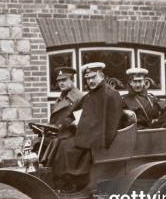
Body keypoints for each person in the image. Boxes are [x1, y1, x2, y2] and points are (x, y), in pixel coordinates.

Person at [52, 62, 123, 191]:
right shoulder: (90, 95)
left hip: (98, 140)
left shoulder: (111, 94)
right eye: (88, 78)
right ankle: (65, 183)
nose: (90, 81)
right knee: (61, 142)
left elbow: (111, 124)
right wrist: (72, 123)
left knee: (68, 148)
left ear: (101, 76)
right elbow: (74, 114)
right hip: (85, 135)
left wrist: (90, 135)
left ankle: (75, 184)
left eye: (93, 77)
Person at [50, 67, 83, 132]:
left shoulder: (79, 98)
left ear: (72, 80)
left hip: (70, 138)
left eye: (64, 80)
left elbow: (81, 124)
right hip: (57, 137)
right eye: (59, 81)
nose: (61, 83)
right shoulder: (60, 99)